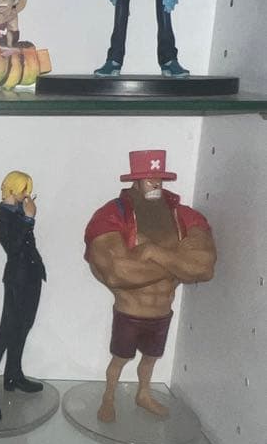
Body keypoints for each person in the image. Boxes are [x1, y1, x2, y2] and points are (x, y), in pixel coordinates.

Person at [84, 149, 216, 422]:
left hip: (162, 313)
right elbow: (117, 272)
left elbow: (204, 268)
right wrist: (179, 262)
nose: (156, 183)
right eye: (149, 178)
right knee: (119, 360)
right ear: (136, 181)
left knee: (150, 359)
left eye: (160, 178)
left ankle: (143, 394)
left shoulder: (184, 215)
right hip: (130, 312)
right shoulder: (111, 215)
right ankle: (108, 398)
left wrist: (153, 252)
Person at [0, 171, 46, 421]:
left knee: (24, 327)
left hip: (32, 276)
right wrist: (29, 219)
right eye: (24, 190)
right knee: (5, 332)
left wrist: (27, 218)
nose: (27, 195)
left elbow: (29, 245)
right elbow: (14, 247)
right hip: (17, 280)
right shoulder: (1, 219)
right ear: (11, 190)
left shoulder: (19, 213)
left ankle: (13, 375)